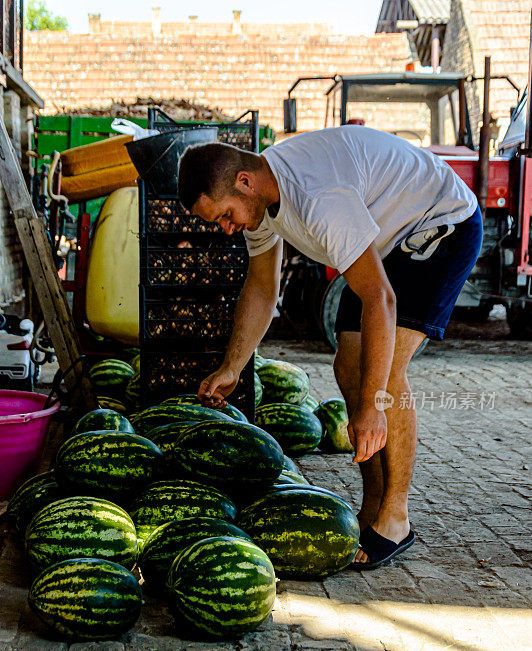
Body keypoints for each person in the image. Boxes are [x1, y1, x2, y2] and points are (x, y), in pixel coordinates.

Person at [177, 126, 483, 569]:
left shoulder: (318, 196)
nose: (226, 229)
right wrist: (233, 367)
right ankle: (373, 507)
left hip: (440, 223)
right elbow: (262, 289)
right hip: (387, 239)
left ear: (243, 181)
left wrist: (372, 407)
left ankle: (396, 519)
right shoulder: (261, 202)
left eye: (224, 215)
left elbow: (381, 298)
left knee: (385, 373)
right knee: (348, 366)